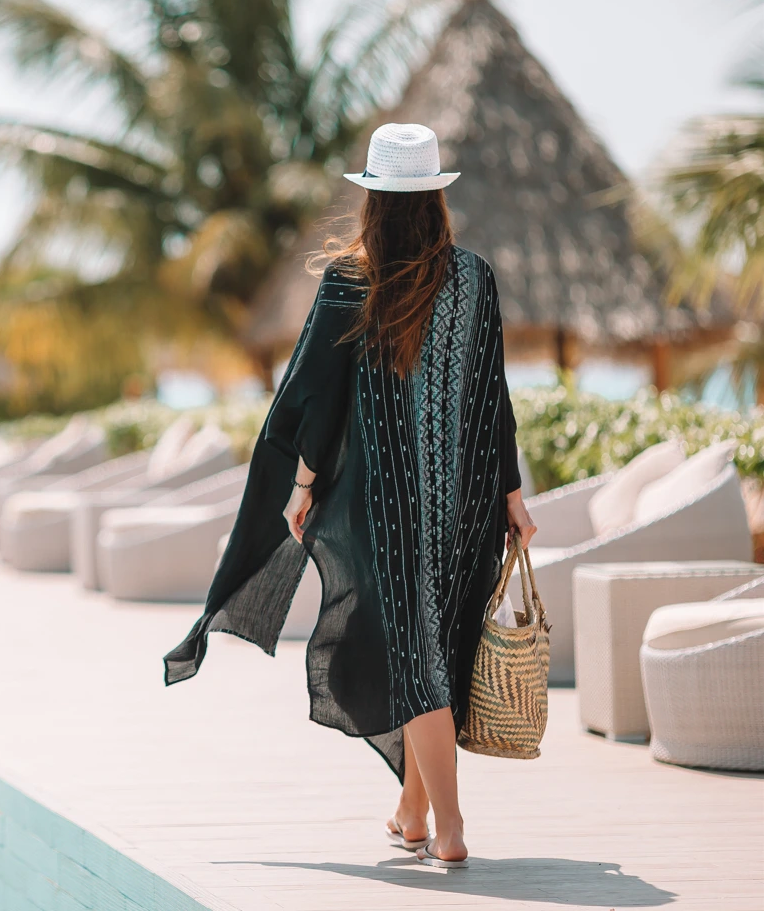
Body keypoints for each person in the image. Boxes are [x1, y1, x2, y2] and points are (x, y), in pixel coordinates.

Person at [163, 123, 537, 870]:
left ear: (372, 200)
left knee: (416, 652)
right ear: (435, 197)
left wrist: (300, 486)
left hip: (388, 506)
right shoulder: (475, 278)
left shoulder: (350, 277)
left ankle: (451, 828)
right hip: (465, 504)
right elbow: (492, 398)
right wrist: (510, 495)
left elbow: (313, 396)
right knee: (433, 646)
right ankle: (411, 809)